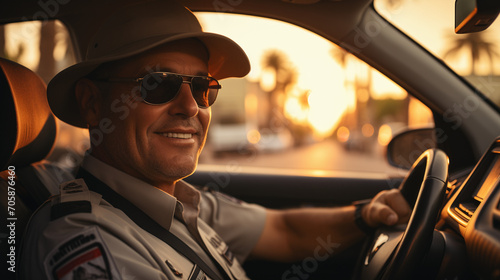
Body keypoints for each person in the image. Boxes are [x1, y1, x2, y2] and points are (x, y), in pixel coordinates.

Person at [19, 1, 411, 279]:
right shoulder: (83, 239)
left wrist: (366, 215)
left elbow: (284, 232)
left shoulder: (182, 202)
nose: (191, 107)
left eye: (204, 87)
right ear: (92, 104)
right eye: (157, 84)